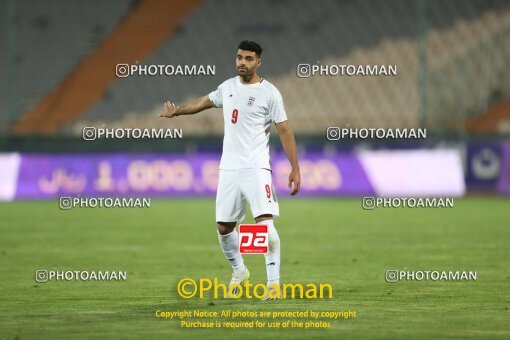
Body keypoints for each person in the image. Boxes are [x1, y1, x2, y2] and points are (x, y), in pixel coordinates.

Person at [160, 40, 300, 300]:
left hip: (256, 168)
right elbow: (206, 100)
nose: (241, 63)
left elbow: (285, 130)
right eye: (239, 57)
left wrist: (295, 168)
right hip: (229, 169)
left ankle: (274, 286)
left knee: (264, 227)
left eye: (248, 59)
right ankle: (240, 270)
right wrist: (178, 112)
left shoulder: (270, 93)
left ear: (259, 62)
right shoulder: (228, 87)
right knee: (224, 228)